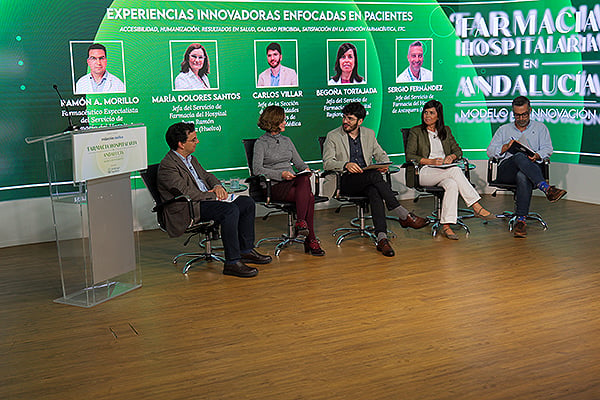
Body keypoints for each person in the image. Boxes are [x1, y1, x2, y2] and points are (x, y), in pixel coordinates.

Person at [157, 122, 272, 277]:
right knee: (229, 210)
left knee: (247, 203)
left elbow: (207, 176)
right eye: (193, 139)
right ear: (181, 144)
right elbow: (187, 193)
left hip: (206, 199)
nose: (197, 141)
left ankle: (245, 250)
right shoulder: (168, 166)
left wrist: (218, 186)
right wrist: (214, 195)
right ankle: (232, 262)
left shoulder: (191, 159)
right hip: (189, 207)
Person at [323, 102, 428, 257]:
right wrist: (346, 164)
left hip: (366, 180)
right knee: (374, 177)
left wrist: (384, 164)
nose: (345, 121)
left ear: (360, 121)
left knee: (374, 191)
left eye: (350, 119)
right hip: (344, 181)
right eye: (344, 117)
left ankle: (382, 239)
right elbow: (327, 163)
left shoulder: (369, 134)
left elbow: (381, 154)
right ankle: (403, 215)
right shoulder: (333, 136)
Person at [406, 100, 495, 240]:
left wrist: (451, 157)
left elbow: (458, 151)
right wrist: (431, 161)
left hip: (443, 170)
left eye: (431, 113)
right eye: (425, 112)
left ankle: (446, 225)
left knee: (452, 184)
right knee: (454, 171)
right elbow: (410, 156)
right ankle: (476, 206)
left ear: (438, 116)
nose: (427, 116)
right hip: (423, 171)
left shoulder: (445, 131)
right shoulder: (416, 131)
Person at [487, 96, 567, 238]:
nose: (521, 118)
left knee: (522, 175)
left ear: (530, 111)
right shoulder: (504, 129)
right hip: (507, 171)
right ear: (513, 113)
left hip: (530, 170)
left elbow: (548, 149)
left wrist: (537, 155)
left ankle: (521, 221)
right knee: (518, 156)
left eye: (524, 114)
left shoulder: (540, 128)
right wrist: (506, 147)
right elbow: (490, 151)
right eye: (517, 115)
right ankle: (547, 189)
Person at [253, 106, 325, 256]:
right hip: (274, 185)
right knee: (309, 197)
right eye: (283, 119)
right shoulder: (261, 143)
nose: (285, 122)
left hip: (292, 182)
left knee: (304, 178)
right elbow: (257, 170)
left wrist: (306, 169)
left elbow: (299, 163)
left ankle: (301, 223)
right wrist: (281, 174)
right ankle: (311, 239)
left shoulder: (287, 141)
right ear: (275, 121)